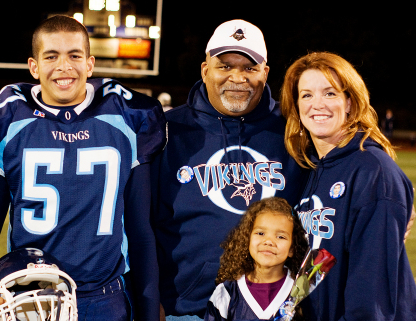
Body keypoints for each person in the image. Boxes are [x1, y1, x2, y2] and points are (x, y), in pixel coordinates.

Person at [0, 15, 165, 321]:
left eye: (74, 56)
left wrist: (149, 312)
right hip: (31, 297)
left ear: (90, 64)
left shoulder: (127, 118)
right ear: (34, 67)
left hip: (106, 297)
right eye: (51, 56)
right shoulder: (7, 123)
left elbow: (140, 232)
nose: (64, 66)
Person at [151, 19, 307, 320]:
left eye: (249, 68)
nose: (237, 77)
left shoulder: (293, 131)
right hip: (185, 309)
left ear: (265, 73)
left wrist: (386, 185)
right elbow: (138, 223)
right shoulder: (167, 131)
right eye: (225, 66)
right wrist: (149, 296)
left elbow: (343, 160)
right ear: (205, 70)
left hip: (270, 309)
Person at [280, 51, 416, 320]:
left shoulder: (374, 172)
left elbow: (371, 294)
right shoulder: (313, 167)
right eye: (306, 95)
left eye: (330, 93)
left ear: (350, 102)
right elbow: (321, 259)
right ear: (296, 105)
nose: (317, 104)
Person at [204, 197, 307, 321]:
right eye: (261, 233)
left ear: (292, 248)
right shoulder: (227, 292)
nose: (269, 241)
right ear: (247, 239)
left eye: (280, 236)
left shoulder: (301, 292)